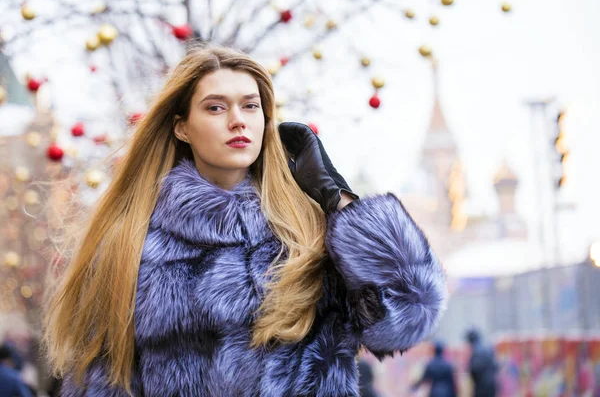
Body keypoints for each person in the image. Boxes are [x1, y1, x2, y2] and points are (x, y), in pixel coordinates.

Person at [43, 45, 447, 396]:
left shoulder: (309, 233)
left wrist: (334, 195)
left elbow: (411, 312)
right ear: (181, 127)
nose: (238, 120)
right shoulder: (132, 246)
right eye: (216, 107)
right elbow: (102, 383)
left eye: (250, 105)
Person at [465, 329, 498, 397]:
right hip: (491, 384)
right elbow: (495, 366)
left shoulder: (476, 350)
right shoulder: (488, 347)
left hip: (482, 386)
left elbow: (474, 369)